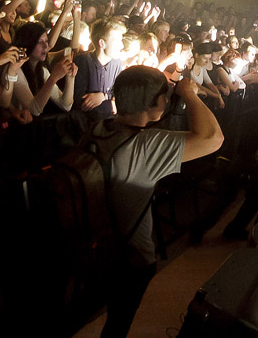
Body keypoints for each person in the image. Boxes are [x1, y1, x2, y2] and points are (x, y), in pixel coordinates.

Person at [90, 69, 222, 337]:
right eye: (164, 96)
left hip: (97, 243)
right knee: (118, 324)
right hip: (132, 256)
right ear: (153, 103)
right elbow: (213, 138)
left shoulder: (100, 127)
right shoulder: (146, 146)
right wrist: (189, 94)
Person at [73, 17, 127, 120]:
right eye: (117, 41)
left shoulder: (117, 63)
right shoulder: (82, 62)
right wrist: (110, 102)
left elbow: (119, 94)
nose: (122, 46)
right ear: (102, 43)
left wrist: (103, 96)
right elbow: (80, 101)